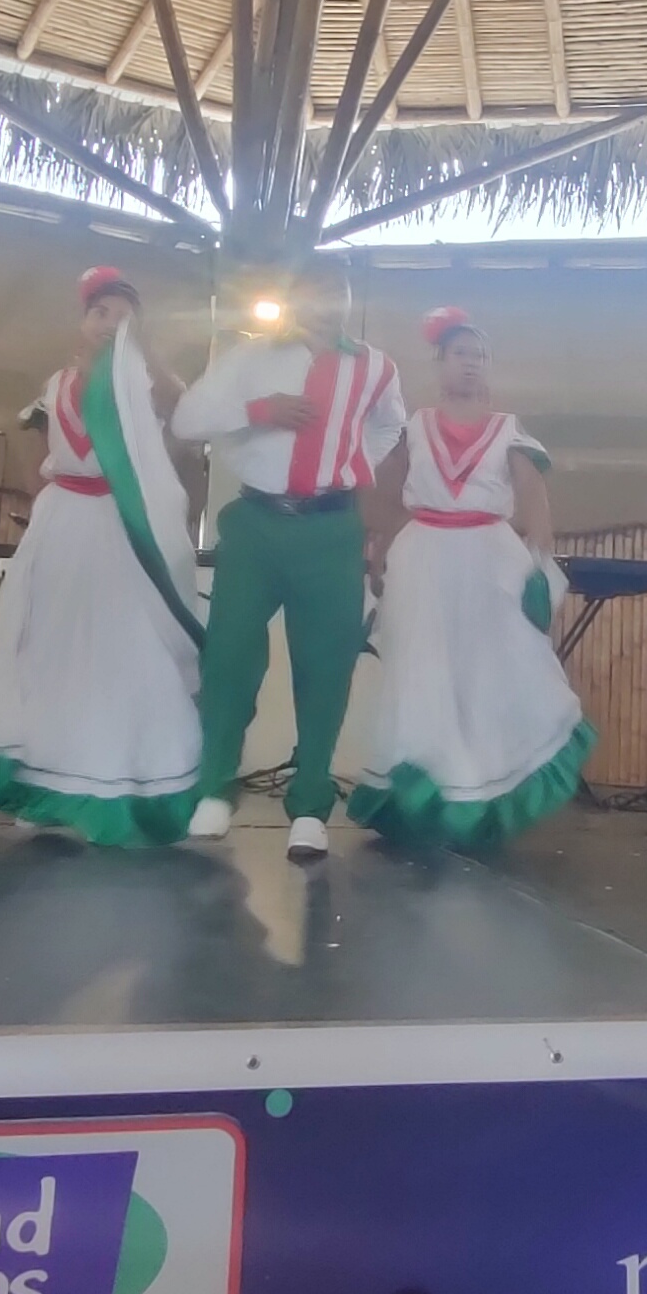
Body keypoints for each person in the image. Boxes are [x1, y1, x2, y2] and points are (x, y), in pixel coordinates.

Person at [0, 268, 204, 844]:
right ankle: (48, 786)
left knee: (126, 653)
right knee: (52, 653)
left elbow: (184, 421)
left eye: (123, 315)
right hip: (63, 525)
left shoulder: (146, 382)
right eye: (100, 312)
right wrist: (45, 505)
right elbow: (36, 446)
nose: (109, 323)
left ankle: (130, 786)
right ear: (82, 321)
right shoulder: (56, 383)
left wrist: (144, 352)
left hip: (122, 524)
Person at [168, 260, 408, 860]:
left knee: (327, 665)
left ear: (348, 298)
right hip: (256, 522)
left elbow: (388, 426)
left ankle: (309, 805)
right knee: (228, 654)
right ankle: (215, 787)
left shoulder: (376, 366)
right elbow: (188, 419)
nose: (326, 299)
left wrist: (350, 463)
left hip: (332, 528)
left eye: (337, 289)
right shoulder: (251, 356)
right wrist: (259, 411)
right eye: (313, 288)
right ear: (293, 297)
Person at [349, 308, 593, 850]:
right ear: (440, 362)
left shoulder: (509, 430)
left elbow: (533, 500)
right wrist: (378, 552)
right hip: (424, 558)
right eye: (460, 354)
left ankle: (479, 790)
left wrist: (539, 562)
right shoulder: (415, 428)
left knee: (488, 671)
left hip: (489, 557)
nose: (470, 363)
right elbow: (385, 496)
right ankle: (423, 793)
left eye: (479, 355)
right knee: (422, 672)